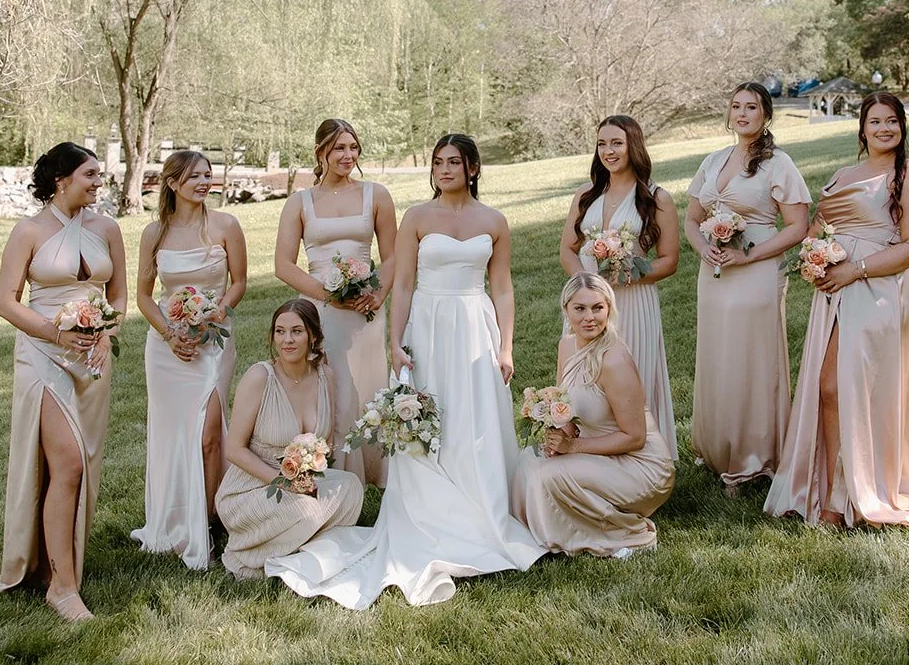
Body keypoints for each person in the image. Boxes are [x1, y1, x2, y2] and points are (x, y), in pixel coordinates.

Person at [266, 133, 545, 608]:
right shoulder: (417, 216)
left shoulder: (494, 221)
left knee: (474, 416)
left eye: (454, 162)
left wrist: (506, 346)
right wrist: (396, 342)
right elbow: (404, 285)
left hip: (475, 324)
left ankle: (483, 505)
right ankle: (429, 510)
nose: (444, 169)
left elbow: (502, 287)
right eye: (438, 162)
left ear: (473, 167)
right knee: (430, 413)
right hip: (429, 325)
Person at [765, 93, 909, 527]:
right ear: (861, 129)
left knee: (851, 389)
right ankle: (830, 493)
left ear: (902, 127)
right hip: (837, 291)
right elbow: (820, 224)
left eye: (892, 121)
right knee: (830, 388)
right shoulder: (846, 173)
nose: (885, 128)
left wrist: (855, 269)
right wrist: (816, 254)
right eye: (875, 121)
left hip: (882, 290)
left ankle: (855, 494)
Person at [0, 143, 127, 622]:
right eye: (90, 175)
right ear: (61, 179)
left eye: (99, 176)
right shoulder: (28, 230)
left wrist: (107, 334)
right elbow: (7, 302)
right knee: (66, 464)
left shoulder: (108, 229)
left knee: (80, 465)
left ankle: (58, 568)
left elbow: (118, 295)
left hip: (92, 357)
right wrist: (55, 333)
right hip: (42, 353)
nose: (98, 183)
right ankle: (63, 590)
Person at [684, 82, 810, 493]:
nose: (742, 114)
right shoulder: (713, 159)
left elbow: (798, 227)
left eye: (751, 107)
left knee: (751, 359)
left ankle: (753, 458)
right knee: (718, 355)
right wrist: (703, 246)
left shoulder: (779, 164)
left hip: (756, 270)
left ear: (765, 115)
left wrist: (749, 255)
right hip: (715, 274)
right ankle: (718, 447)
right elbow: (691, 217)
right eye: (735, 106)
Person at [131, 150, 247, 570]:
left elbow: (240, 282)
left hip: (215, 339)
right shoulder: (154, 233)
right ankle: (176, 517)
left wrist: (216, 313)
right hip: (166, 347)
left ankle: (214, 521)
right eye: (194, 176)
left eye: (207, 175)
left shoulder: (226, 225)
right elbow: (144, 296)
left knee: (209, 433)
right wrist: (170, 333)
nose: (203, 182)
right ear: (173, 183)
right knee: (173, 433)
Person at [513, 274, 675, 557]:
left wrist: (573, 447)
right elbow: (564, 406)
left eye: (598, 308)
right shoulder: (566, 346)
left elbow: (635, 438)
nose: (589, 317)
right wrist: (558, 436)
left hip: (640, 466)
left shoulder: (614, 359)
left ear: (609, 310)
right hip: (599, 452)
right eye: (580, 308)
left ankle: (628, 534)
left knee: (548, 477)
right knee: (529, 461)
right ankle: (540, 532)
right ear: (566, 310)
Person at [274, 118, 396, 486]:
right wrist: (328, 296)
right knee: (333, 394)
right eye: (339, 148)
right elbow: (282, 264)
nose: (348, 155)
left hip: (365, 311)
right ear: (321, 151)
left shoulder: (377, 195)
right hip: (320, 310)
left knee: (366, 393)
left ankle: (374, 475)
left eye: (353, 147)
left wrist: (377, 295)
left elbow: (393, 257)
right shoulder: (300, 202)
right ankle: (333, 479)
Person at [216, 299, 365, 577]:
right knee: (306, 512)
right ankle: (251, 553)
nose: (287, 340)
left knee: (351, 487)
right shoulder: (260, 377)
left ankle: (297, 547)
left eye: (296, 331)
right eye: (280, 331)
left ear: (313, 336)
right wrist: (284, 481)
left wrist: (307, 476)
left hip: (301, 481)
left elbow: (326, 442)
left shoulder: (325, 376)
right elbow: (234, 450)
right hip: (251, 488)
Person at [560, 114, 680, 458]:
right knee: (585, 381)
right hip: (588, 304)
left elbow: (669, 261)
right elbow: (568, 249)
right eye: (602, 144)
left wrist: (629, 273)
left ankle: (646, 460)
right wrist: (584, 285)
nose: (608, 151)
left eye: (617, 143)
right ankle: (589, 453)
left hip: (633, 302)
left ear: (633, 147)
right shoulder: (585, 195)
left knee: (634, 374)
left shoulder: (657, 198)